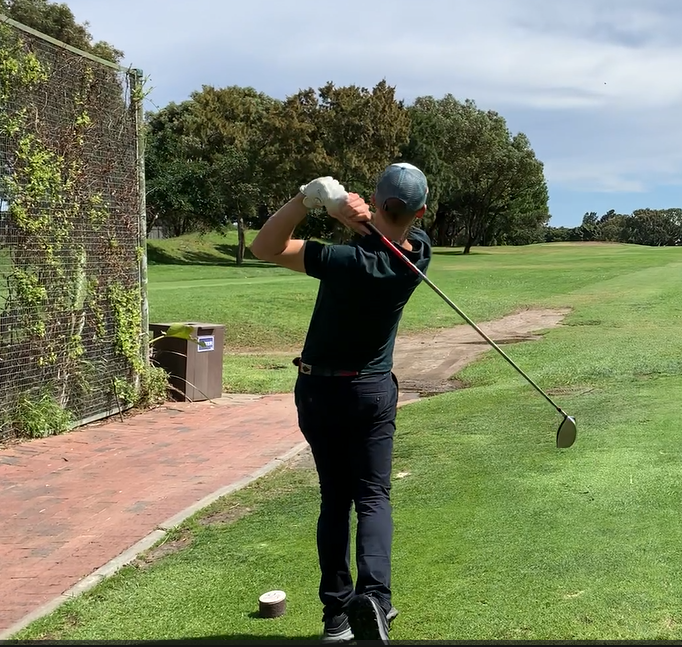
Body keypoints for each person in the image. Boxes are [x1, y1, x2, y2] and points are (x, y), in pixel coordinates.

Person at [250, 163, 432, 643]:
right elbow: (393, 233)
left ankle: (336, 616)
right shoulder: (419, 256)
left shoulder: (343, 261)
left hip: (321, 391)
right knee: (373, 496)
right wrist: (354, 219)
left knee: (336, 499)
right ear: (421, 211)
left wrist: (309, 201)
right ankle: (376, 600)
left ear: (376, 199)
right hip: (372, 391)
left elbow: (264, 247)